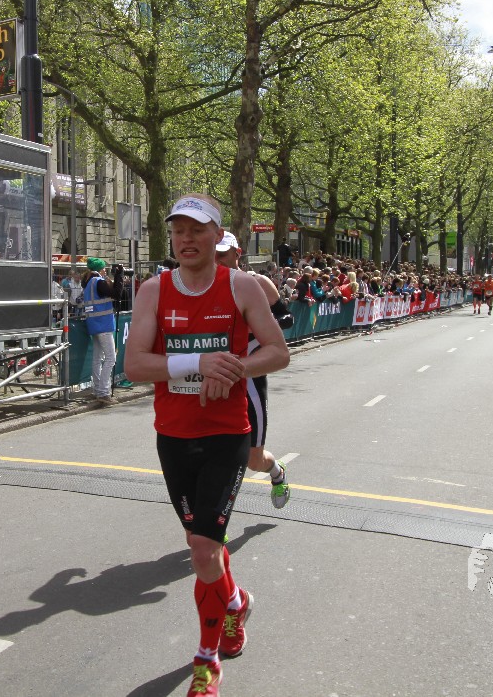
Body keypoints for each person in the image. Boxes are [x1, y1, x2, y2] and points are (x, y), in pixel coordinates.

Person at [124, 194, 289, 697]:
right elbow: (134, 366)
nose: (187, 239)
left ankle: (206, 659)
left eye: (197, 230)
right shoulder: (153, 291)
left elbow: (278, 352)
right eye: (178, 231)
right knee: (205, 546)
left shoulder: (241, 286)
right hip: (174, 437)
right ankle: (236, 603)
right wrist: (198, 363)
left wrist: (235, 367)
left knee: (201, 549)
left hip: (225, 434)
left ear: (218, 237)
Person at [215, 231, 293, 508]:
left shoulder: (257, 282)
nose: (217, 260)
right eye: (213, 254)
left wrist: (264, 326)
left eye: (222, 254)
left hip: (249, 377)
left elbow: (286, 316)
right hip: (216, 375)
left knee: (254, 460)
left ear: (237, 253)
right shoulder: (204, 287)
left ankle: (276, 471)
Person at [81, 257, 125, 408]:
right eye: (104, 268)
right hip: (103, 324)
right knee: (111, 358)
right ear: (99, 269)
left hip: (94, 324)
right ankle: (104, 392)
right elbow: (117, 294)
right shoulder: (98, 282)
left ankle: (97, 389)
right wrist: (119, 276)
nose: (105, 270)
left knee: (97, 358)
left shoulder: (88, 283)